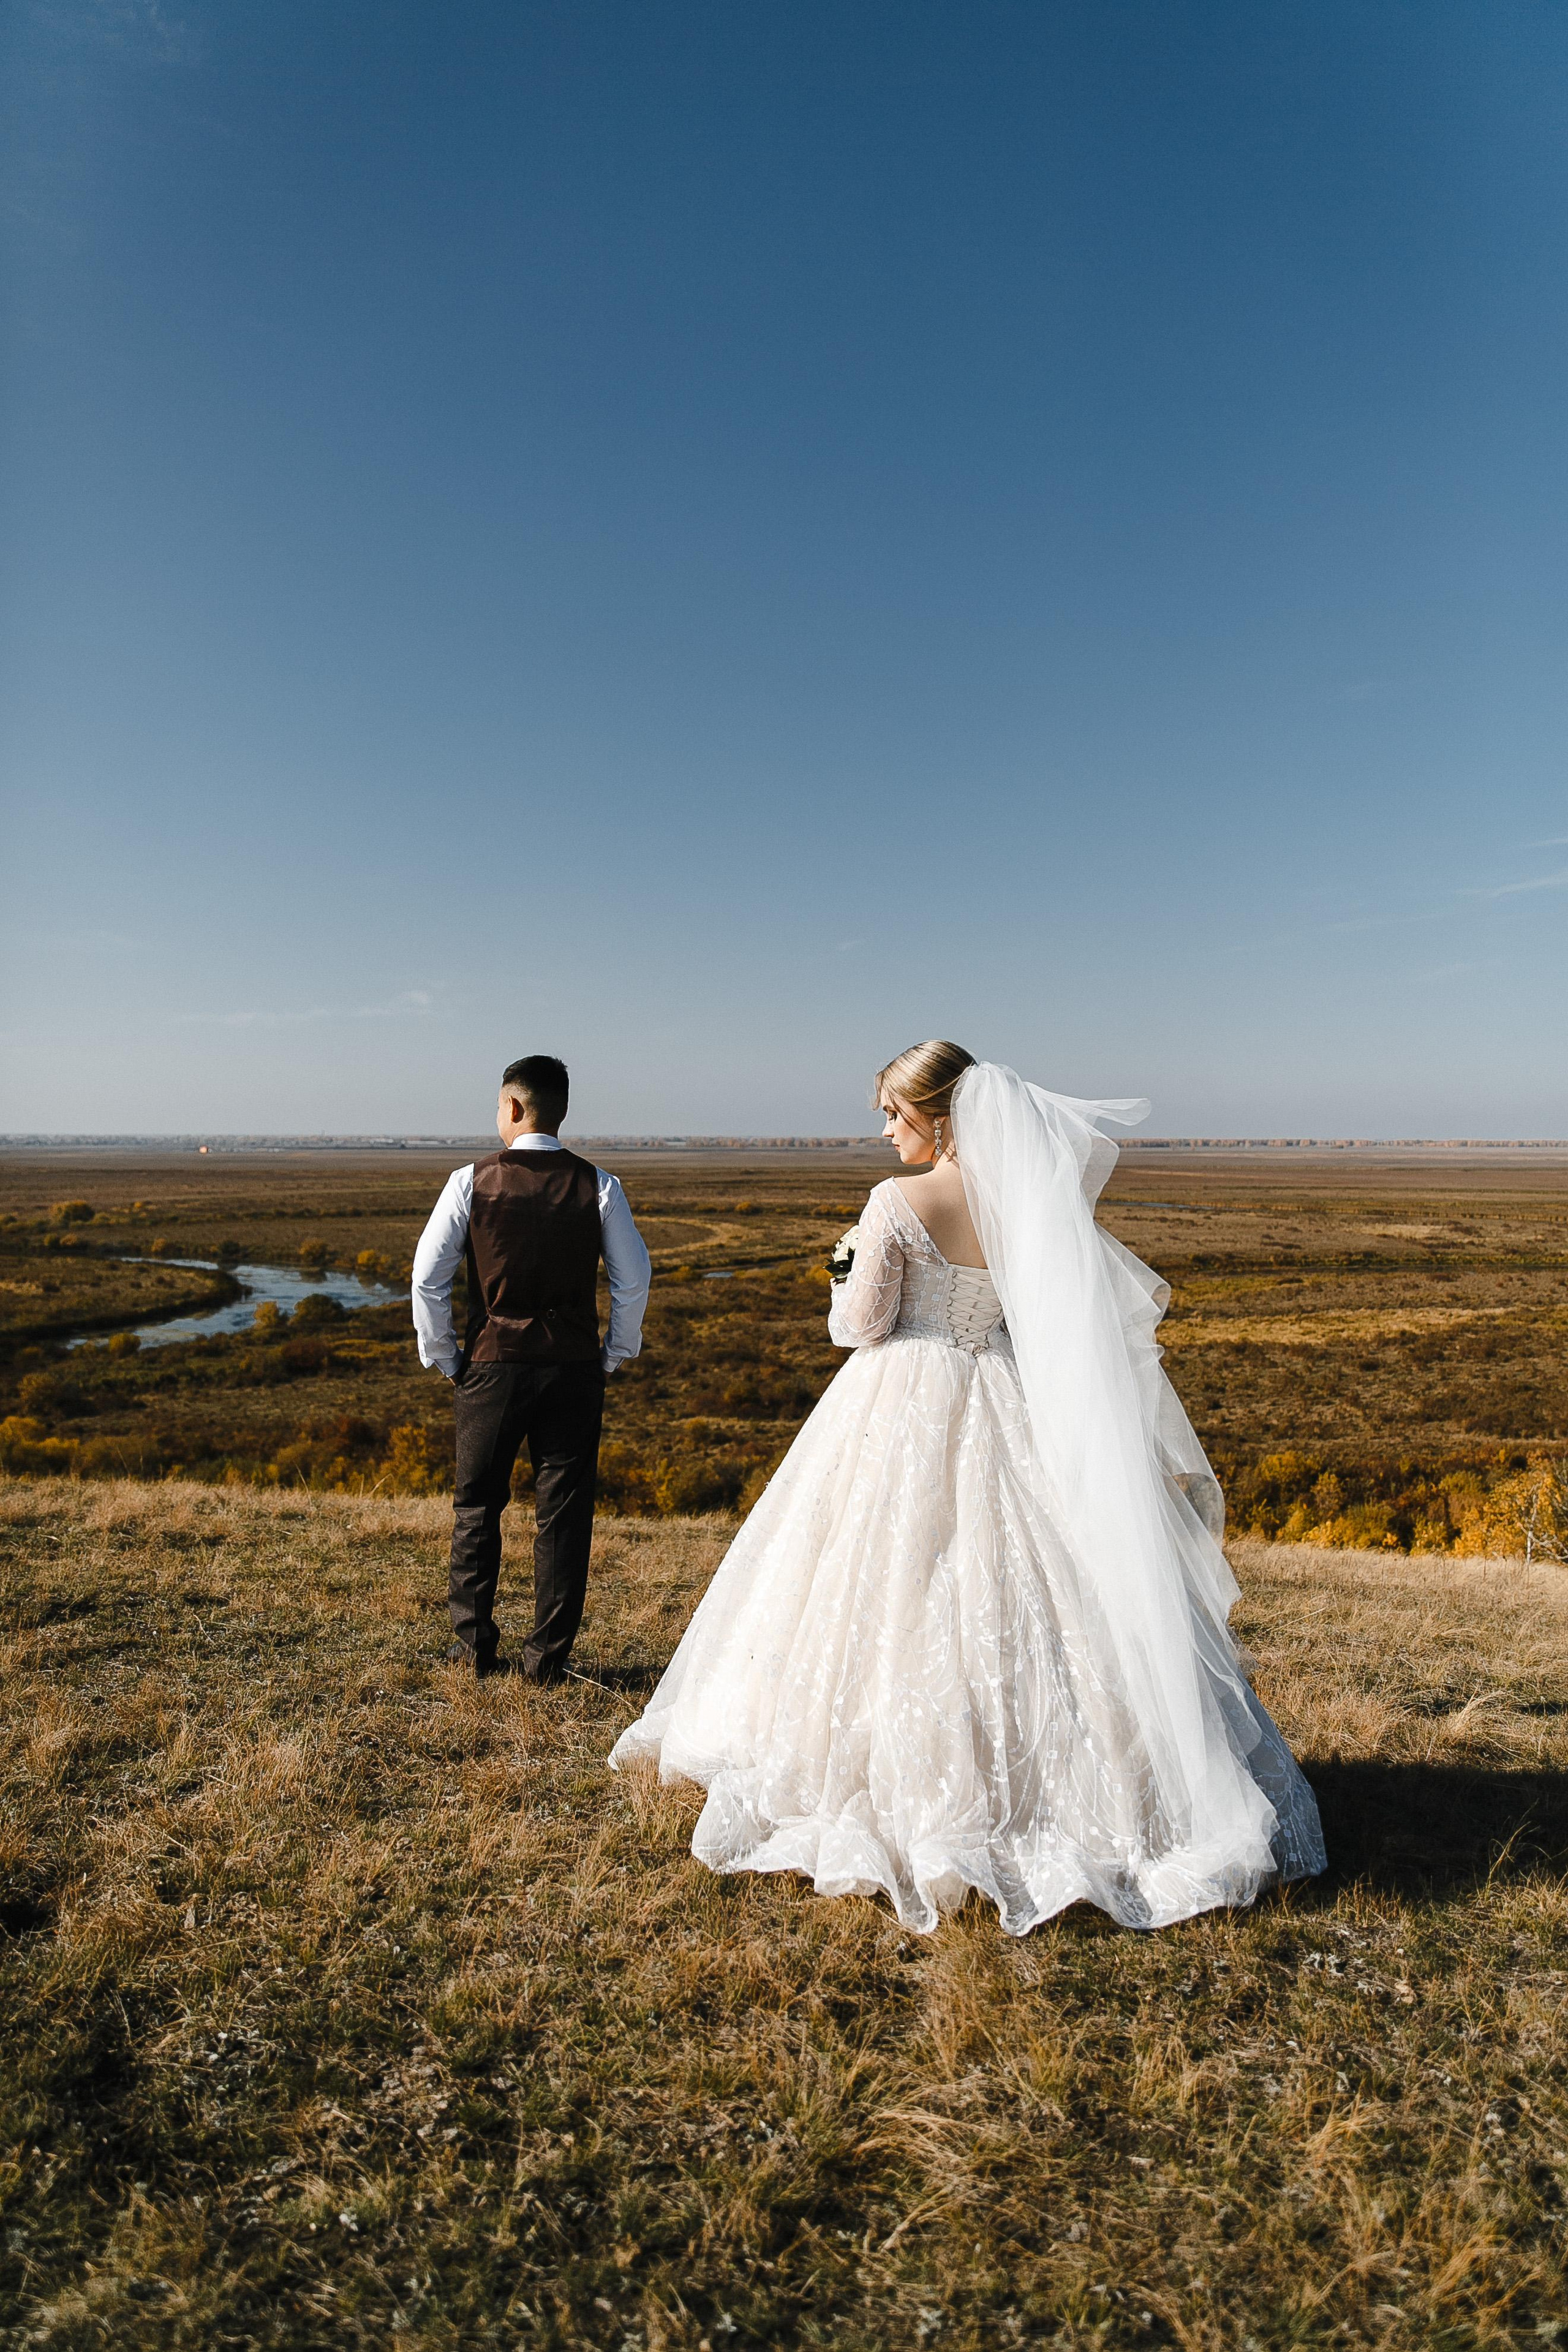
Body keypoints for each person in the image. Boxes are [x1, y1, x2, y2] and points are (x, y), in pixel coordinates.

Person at [611, 1042, 1324, 1934]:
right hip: (1008, 1393)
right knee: (1043, 1592)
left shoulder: (895, 1203)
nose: (883, 1131)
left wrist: (840, 1272)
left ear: (940, 1118)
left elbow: (863, 1325)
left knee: (884, 1585)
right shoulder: (1028, 1204)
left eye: (894, 1115)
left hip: (904, 1395)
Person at [412, 1055, 651, 1683]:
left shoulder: (470, 1180)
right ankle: (546, 1664)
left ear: (514, 1108)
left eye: (498, 1106)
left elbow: (426, 1278)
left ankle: (473, 1655)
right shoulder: (599, 1184)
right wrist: (612, 1355)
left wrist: (447, 1360)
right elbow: (633, 1280)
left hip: (491, 1365)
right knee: (565, 1516)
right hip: (572, 1368)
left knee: (475, 1508)